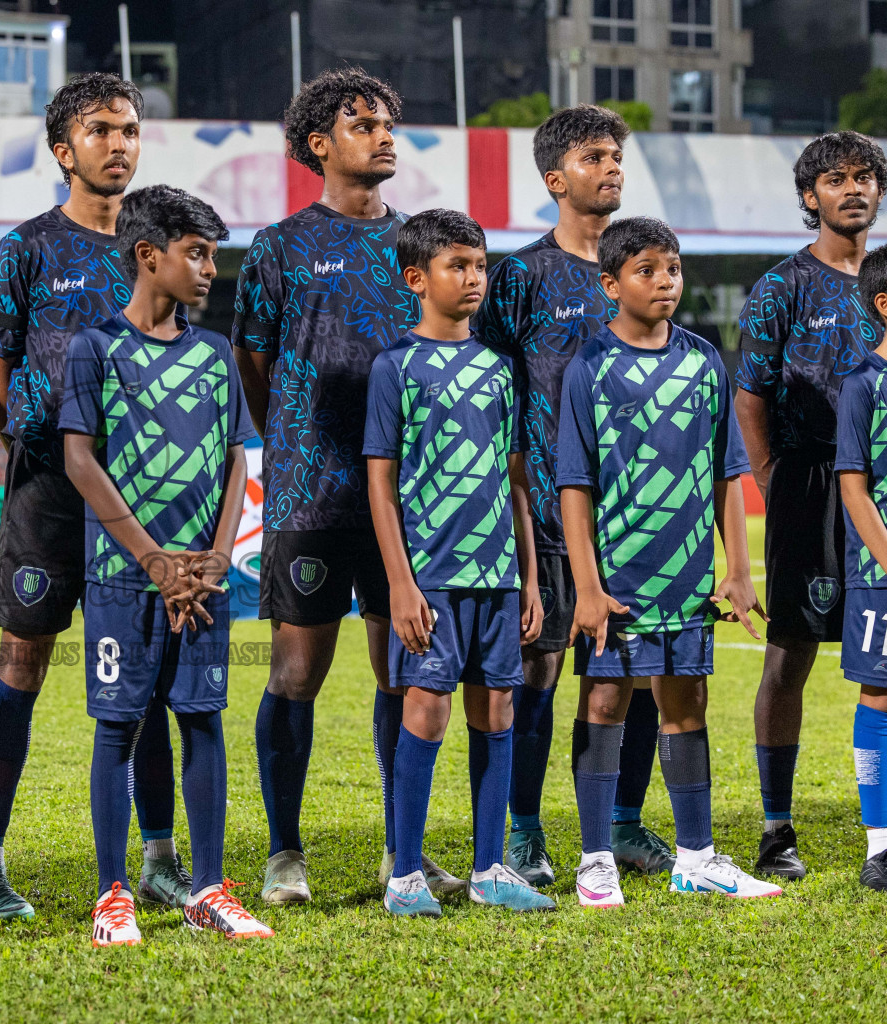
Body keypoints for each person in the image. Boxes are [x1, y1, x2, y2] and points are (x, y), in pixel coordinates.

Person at [0, 72, 193, 920]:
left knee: (150, 674)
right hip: (49, 495)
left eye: (131, 130)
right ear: (65, 150)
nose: (120, 144)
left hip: (147, 497)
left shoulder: (160, 244)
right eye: (101, 131)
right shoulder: (27, 249)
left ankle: (161, 860)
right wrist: (42, 448)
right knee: (22, 664)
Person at [234, 67, 456, 904]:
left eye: (388, 123)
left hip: (407, 501)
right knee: (296, 674)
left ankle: (403, 849)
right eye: (363, 123)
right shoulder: (280, 246)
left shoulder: (418, 248)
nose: (384, 134)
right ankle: (285, 853)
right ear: (319, 145)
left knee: (405, 672)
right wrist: (298, 439)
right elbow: (254, 361)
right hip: (311, 497)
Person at [61, 185, 271, 945]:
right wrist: (154, 562)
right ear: (149, 256)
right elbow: (81, 459)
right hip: (126, 577)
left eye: (214, 254)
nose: (212, 269)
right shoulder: (96, 348)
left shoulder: (216, 357)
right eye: (197, 253)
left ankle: (209, 888)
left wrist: (215, 560)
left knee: (202, 718)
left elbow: (237, 456)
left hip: (202, 582)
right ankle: (111, 894)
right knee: (118, 727)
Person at [476, 104, 673, 884]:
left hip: (644, 512)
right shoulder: (520, 276)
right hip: (552, 517)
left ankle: (624, 822)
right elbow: (489, 386)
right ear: (557, 178)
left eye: (617, 154)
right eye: (595, 156)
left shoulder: (643, 266)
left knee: (640, 668)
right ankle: (525, 831)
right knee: (539, 671)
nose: (613, 167)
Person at [558, 217, 778, 907]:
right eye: (647, 270)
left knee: (688, 701)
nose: (664, 282)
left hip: (685, 577)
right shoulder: (588, 367)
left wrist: (736, 569)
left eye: (673, 269)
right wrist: (586, 587)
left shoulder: (705, 359)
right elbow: (574, 485)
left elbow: (725, 473)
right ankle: (596, 860)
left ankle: (696, 856)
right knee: (604, 700)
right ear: (611, 284)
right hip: (616, 579)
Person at [364, 209, 554, 918]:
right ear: (417, 278)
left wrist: (530, 577)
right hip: (433, 578)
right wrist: (401, 584)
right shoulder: (395, 367)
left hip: (499, 576)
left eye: (479, 266)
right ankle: (406, 874)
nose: (473, 278)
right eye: (457, 266)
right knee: (427, 710)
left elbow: (516, 482)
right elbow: (380, 484)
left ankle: (489, 868)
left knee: (498, 706)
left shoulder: (500, 371)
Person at [734, 131, 887, 880]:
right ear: (809, 197)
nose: (853, 190)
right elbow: (750, 396)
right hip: (811, 487)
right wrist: (774, 479)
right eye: (836, 179)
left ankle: (880, 830)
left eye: (865, 177)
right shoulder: (781, 288)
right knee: (789, 657)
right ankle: (775, 826)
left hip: (883, 491)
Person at [830, 241, 887, 891]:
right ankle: (881, 845)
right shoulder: (862, 384)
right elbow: (854, 489)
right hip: (880, 575)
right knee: (881, 695)